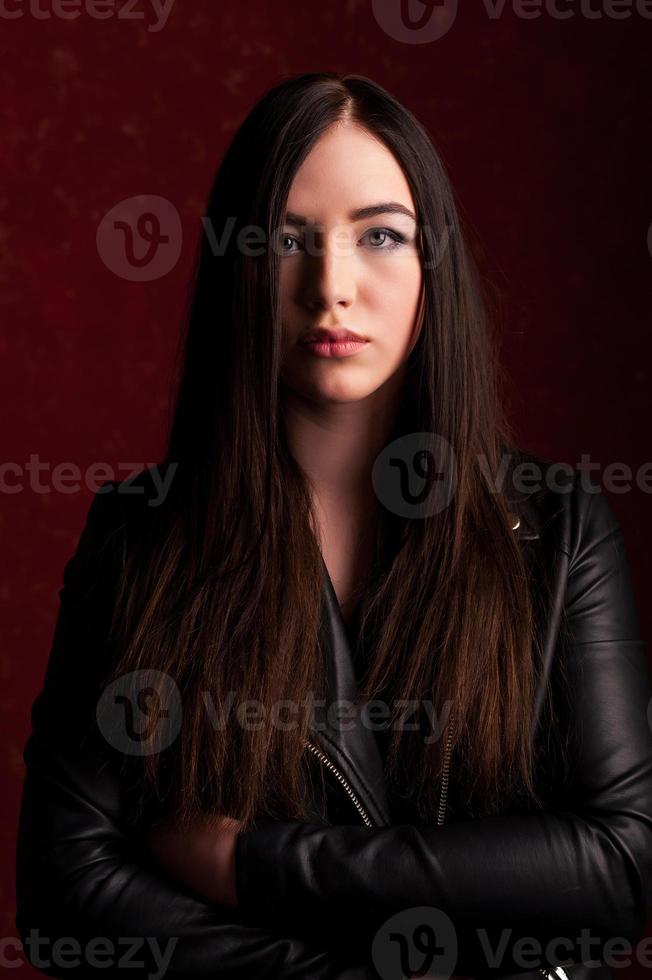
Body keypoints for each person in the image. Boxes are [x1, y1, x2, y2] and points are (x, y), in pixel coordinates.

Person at [16, 71, 652, 980]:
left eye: (382, 235)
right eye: (286, 238)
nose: (333, 286)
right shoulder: (142, 536)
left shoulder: (555, 530)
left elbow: (617, 865)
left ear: (434, 265)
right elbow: (65, 889)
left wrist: (254, 863)